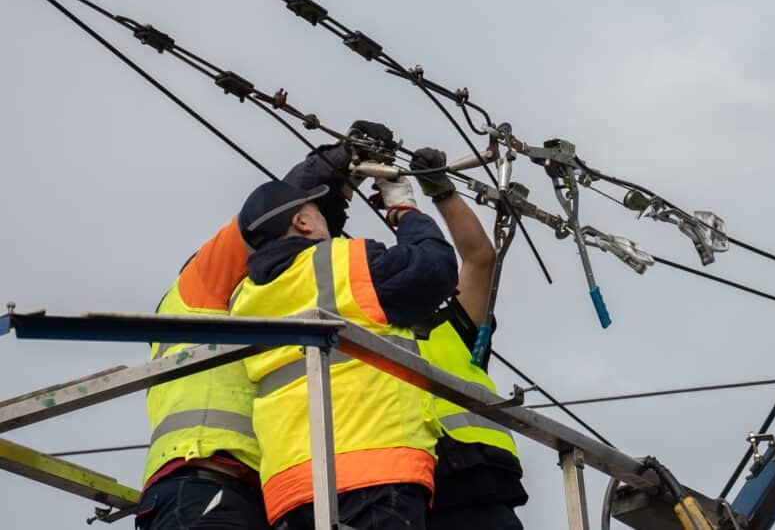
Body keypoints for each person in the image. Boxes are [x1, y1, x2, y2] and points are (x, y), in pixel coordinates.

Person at [229, 136, 459, 530]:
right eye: (317, 210)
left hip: (289, 489)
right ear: (301, 222)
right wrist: (403, 209)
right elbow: (434, 268)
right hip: (374, 471)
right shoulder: (341, 263)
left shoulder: (243, 297)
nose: (329, 220)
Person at [138, 139, 354, 530]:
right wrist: (331, 162)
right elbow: (263, 215)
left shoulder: (256, 305)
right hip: (204, 478)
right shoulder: (202, 282)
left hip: (239, 490)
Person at [410, 147, 528, 529]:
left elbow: (479, 258)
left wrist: (441, 192)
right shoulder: (359, 335)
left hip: (478, 485)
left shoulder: (452, 327)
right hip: (404, 491)